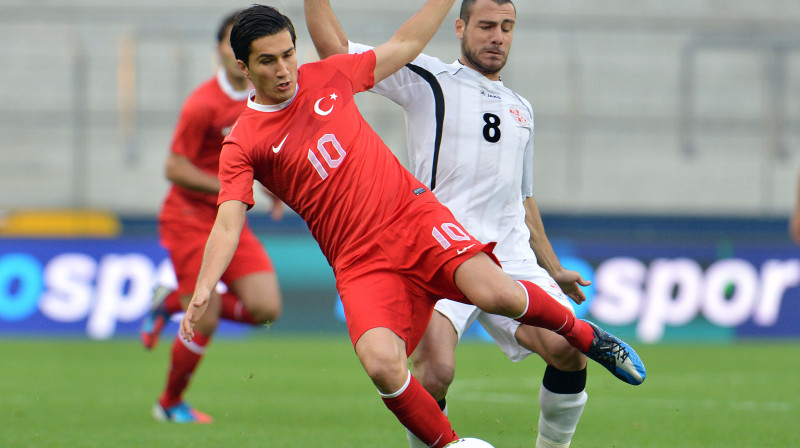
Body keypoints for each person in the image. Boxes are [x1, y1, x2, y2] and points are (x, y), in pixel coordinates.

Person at [180, 3, 645, 447]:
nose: (284, 69)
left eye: (288, 55)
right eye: (268, 61)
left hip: (415, 222)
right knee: (390, 365)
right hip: (359, 261)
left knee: (500, 296)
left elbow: (406, 40)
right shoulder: (243, 142)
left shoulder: (328, 76)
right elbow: (227, 222)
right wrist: (205, 285)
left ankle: (591, 337)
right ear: (244, 66)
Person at [304, 1, 628, 447]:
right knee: (434, 373)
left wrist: (552, 267)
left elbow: (523, 197)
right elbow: (335, 49)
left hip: (509, 259)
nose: (497, 36)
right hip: (439, 249)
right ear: (460, 27)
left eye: (507, 27)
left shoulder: (521, 108)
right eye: (487, 25)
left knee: (568, 351)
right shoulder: (426, 77)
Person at [142, 11, 283, 424]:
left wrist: (270, 186)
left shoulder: (266, 100)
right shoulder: (203, 103)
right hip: (188, 216)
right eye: (227, 41)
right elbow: (174, 167)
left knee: (266, 309)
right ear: (226, 52)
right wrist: (230, 188)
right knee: (209, 314)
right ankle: (168, 404)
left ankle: (170, 300)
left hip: (229, 216)